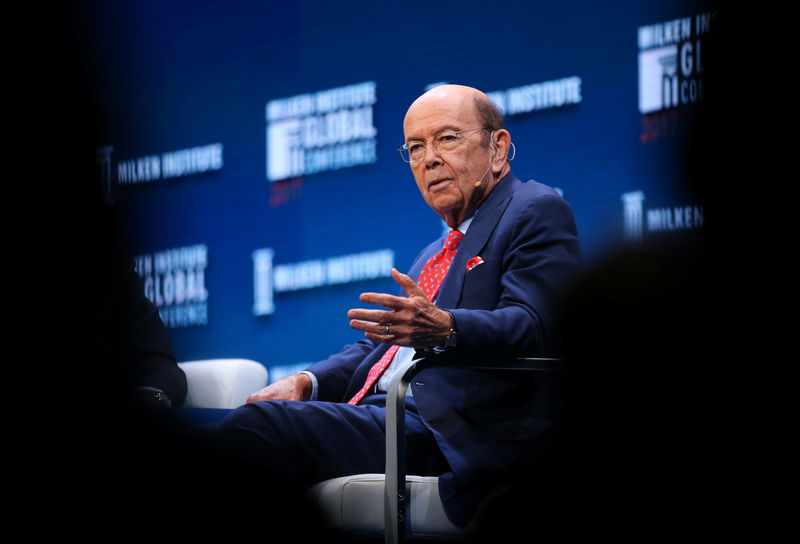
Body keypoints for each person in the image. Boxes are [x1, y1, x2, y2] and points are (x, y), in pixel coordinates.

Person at [215, 84, 581, 529]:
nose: (429, 159)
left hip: (449, 430)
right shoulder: (436, 252)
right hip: (385, 415)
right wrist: (308, 381)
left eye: (447, 138)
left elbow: (536, 325)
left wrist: (446, 328)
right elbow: (381, 350)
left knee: (258, 428)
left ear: (497, 147)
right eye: (415, 147)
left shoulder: (535, 208)